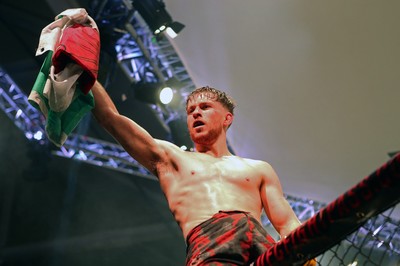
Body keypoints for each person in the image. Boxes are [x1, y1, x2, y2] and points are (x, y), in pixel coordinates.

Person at [91, 81, 315, 265]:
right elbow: (111, 118)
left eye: (205, 107)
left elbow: (287, 224)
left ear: (227, 118)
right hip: (210, 248)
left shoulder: (258, 169)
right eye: (190, 111)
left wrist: (307, 255)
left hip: (262, 250)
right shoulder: (172, 159)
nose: (196, 113)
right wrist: (83, 70)